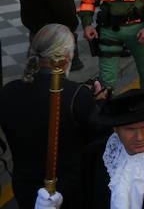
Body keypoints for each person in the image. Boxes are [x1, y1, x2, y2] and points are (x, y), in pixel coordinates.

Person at [40, 88, 144, 209]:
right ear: (115, 128)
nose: (139, 136)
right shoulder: (94, 156)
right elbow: (80, 201)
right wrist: (56, 203)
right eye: (129, 129)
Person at [0, 24, 101, 209]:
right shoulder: (77, 95)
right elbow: (99, 138)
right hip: (68, 190)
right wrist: (98, 103)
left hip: (25, 187)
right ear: (66, 58)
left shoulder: (8, 91)